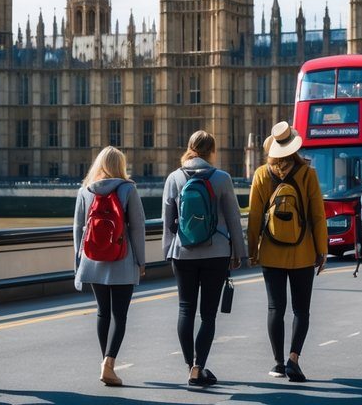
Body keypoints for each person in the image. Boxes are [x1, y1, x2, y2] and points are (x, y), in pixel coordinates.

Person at [162, 130, 246, 388]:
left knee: (185, 309)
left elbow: (168, 221)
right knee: (208, 315)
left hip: (183, 252)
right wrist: (239, 252)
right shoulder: (221, 178)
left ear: (189, 148)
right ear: (211, 151)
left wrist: (169, 250)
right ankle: (199, 366)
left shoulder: (174, 178)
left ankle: (190, 366)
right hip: (217, 252)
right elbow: (233, 217)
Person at [247, 121, 327, 384]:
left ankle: (278, 363)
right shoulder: (307, 174)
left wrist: (252, 250)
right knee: (301, 311)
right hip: (303, 252)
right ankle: (294, 359)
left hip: (271, 252)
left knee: (275, 308)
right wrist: (322, 251)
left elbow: (255, 218)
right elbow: (317, 216)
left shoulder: (260, 174)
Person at [73, 146, 147, 387]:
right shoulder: (128, 189)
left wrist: (79, 259)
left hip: (93, 259)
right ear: (120, 165)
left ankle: (105, 361)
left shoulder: (85, 190)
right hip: (122, 259)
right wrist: (140, 260)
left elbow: (78, 229)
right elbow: (137, 227)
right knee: (120, 314)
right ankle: (109, 363)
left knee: (103, 312)